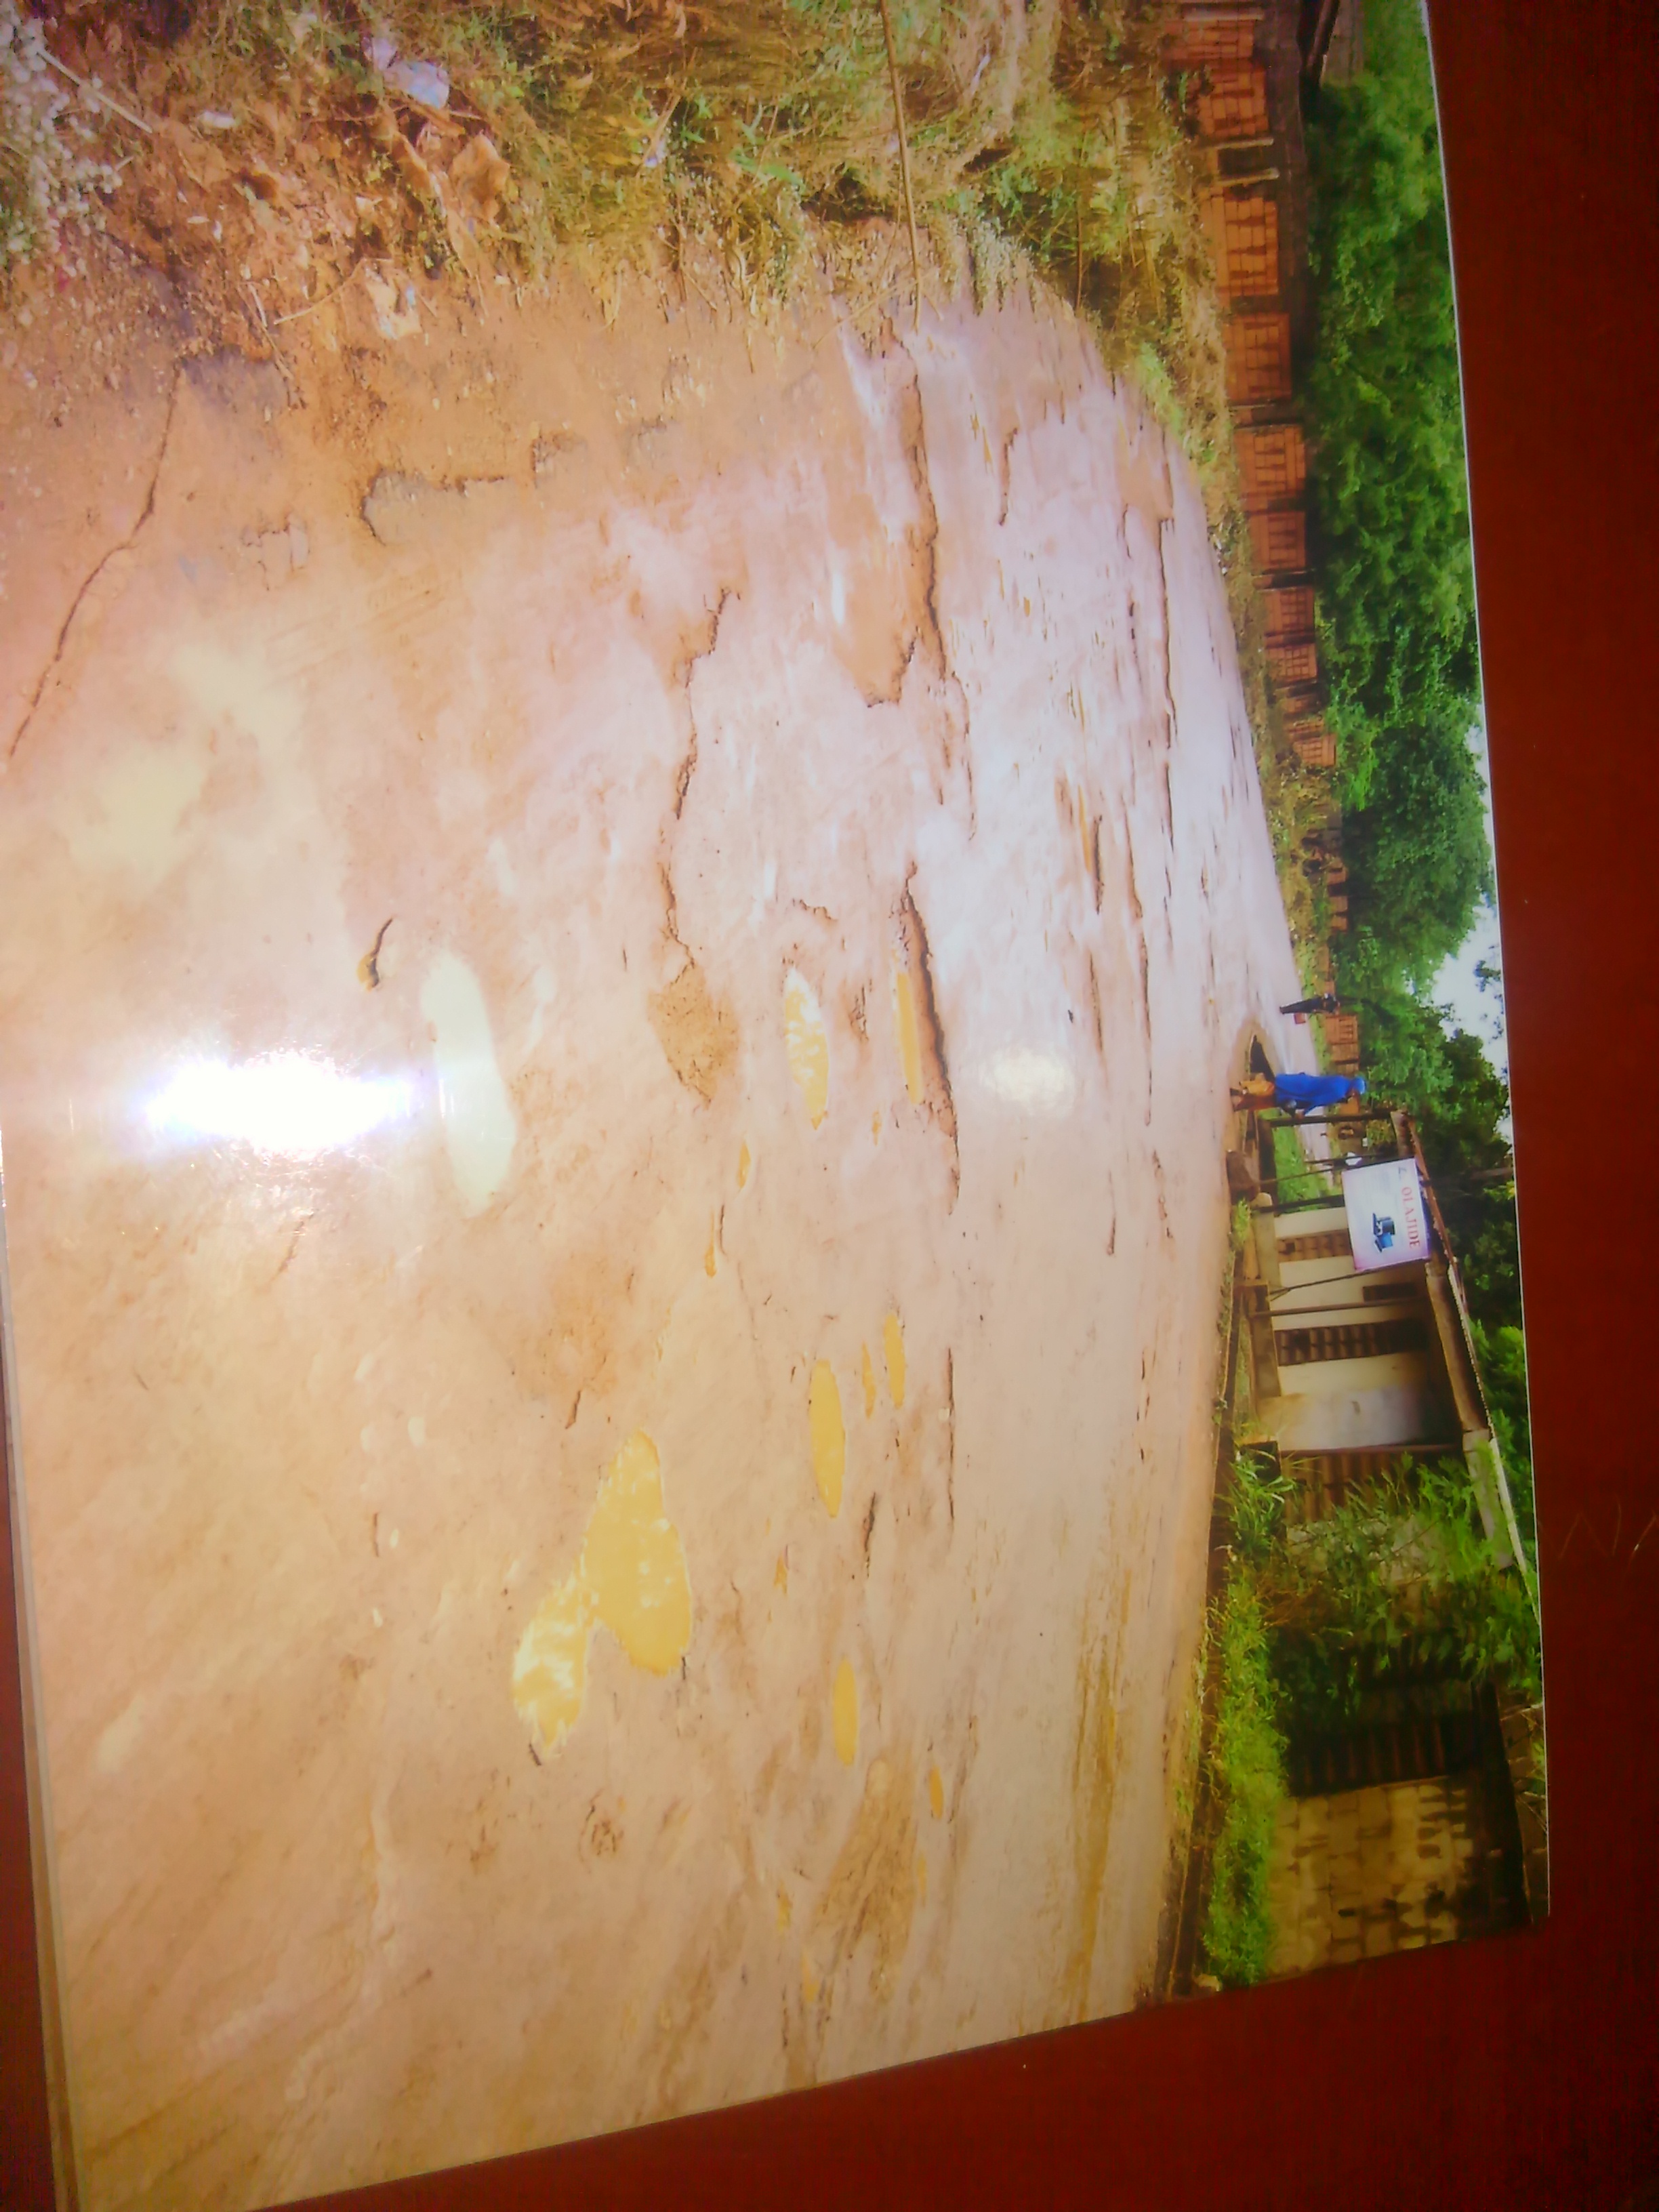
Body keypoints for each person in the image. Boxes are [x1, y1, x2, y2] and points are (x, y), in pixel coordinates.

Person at [1231, 1070, 1368, 1118]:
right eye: (1356, 1093)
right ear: (1354, 1087)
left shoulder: (1341, 1080)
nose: (1354, 1095)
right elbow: (1318, 1100)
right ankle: (1244, 1095)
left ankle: (1243, 1099)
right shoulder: (1339, 1093)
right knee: (1272, 1092)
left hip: (1303, 1083)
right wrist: (1304, 1113)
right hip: (1301, 1092)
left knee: (1272, 1094)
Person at [1279, 992, 1343, 1017]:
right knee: (1298, 1009)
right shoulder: (1332, 1009)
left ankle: (1284, 1009)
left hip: (1314, 1002)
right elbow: (1324, 1012)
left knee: (1298, 1005)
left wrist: (1318, 997)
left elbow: (1324, 995)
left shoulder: (1331, 998)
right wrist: (1316, 1011)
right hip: (1314, 1008)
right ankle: (1285, 1011)